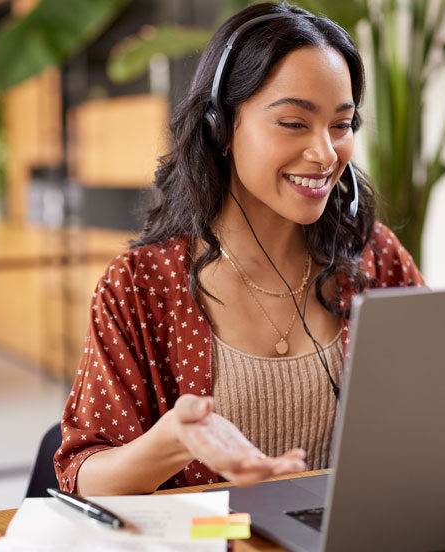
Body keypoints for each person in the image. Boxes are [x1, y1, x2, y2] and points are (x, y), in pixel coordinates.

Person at [54, 1, 425, 496]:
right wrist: (173, 441)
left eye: (341, 125)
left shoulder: (374, 258)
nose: (325, 153)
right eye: (294, 123)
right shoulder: (139, 285)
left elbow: (436, 412)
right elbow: (82, 475)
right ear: (221, 128)